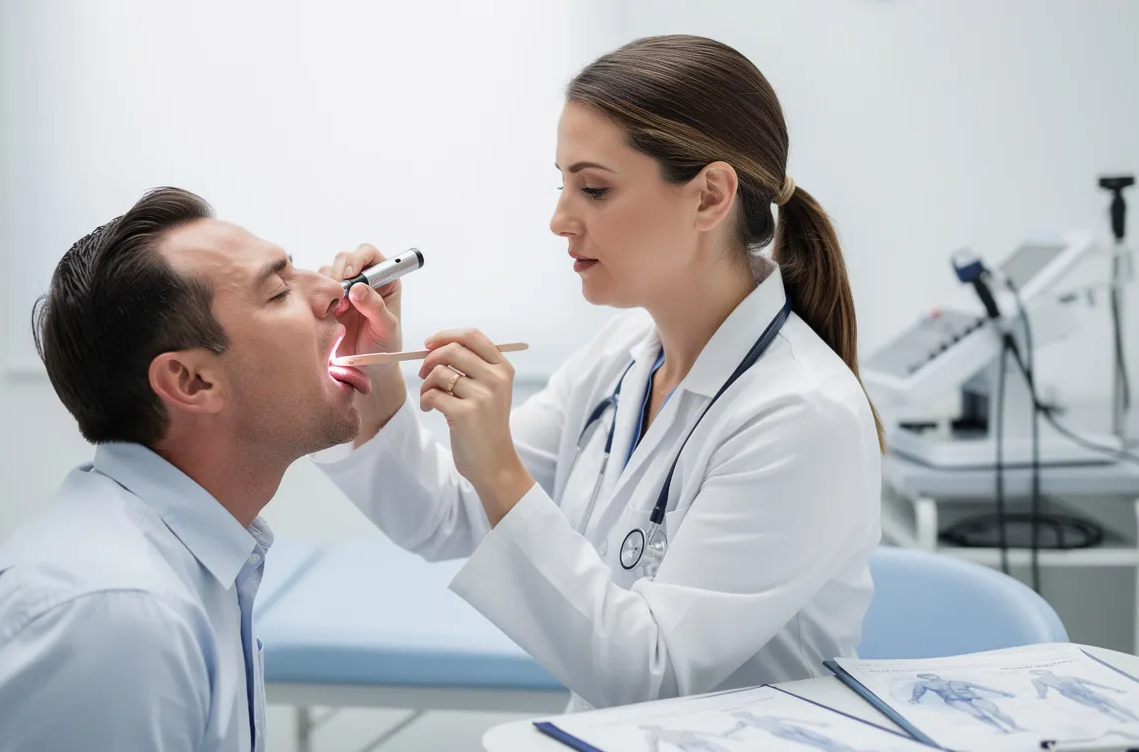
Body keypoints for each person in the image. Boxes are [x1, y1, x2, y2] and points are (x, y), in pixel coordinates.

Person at [311, 34, 885, 712]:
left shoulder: (802, 414)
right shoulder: (623, 358)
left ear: (709, 197)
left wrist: (500, 468)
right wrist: (376, 374)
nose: (560, 220)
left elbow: (652, 676)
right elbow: (442, 517)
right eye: (562, 185)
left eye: (594, 189)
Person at [0, 187, 369, 751]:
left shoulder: (190, 567)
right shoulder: (115, 616)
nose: (335, 293)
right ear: (191, 381)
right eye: (279, 291)